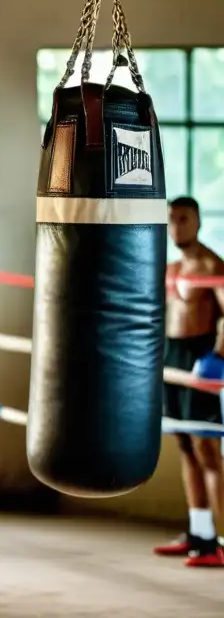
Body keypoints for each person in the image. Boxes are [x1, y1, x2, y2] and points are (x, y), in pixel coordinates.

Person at [154, 196, 224, 567]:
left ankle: (222, 542)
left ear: (197, 222)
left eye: (184, 219)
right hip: (171, 357)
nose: (177, 226)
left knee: (207, 450)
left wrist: (217, 358)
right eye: (172, 219)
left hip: (201, 357)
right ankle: (201, 535)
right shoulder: (170, 268)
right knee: (184, 445)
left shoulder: (213, 264)